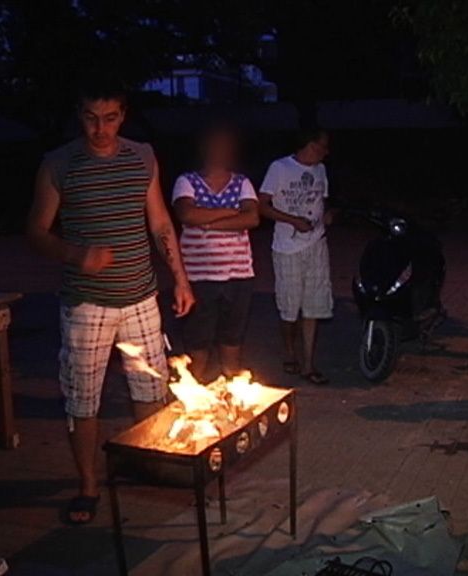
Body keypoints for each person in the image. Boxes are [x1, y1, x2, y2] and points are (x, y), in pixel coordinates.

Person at [25, 76, 195, 525]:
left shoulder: (142, 156)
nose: (100, 128)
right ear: (79, 115)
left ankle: (146, 462)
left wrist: (180, 278)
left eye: (110, 118)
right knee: (83, 399)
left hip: (141, 296)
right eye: (91, 118)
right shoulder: (58, 164)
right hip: (87, 304)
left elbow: (159, 221)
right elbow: (36, 231)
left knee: (151, 389)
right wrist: (76, 254)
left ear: (123, 115)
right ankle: (87, 484)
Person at [172, 123, 259, 381]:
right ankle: (191, 399)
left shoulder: (242, 182)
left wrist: (206, 222)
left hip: (238, 276)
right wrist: (233, 213)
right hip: (199, 279)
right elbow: (186, 214)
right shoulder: (186, 181)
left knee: (232, 342)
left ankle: (232, 399)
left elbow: (252, 218)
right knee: (197, 346)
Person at [258, 128, 333, 386]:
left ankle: (308, 364)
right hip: (287, 247)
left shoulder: (321, 171)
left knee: (313, 305)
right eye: (322, 146)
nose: (326, 152)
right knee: (289, 308)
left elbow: (323, 201)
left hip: (316, 244)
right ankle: (289, 352)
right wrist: (292, 220)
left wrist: (327, 216)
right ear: (309, 144)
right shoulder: (279, 168)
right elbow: (261, 205)